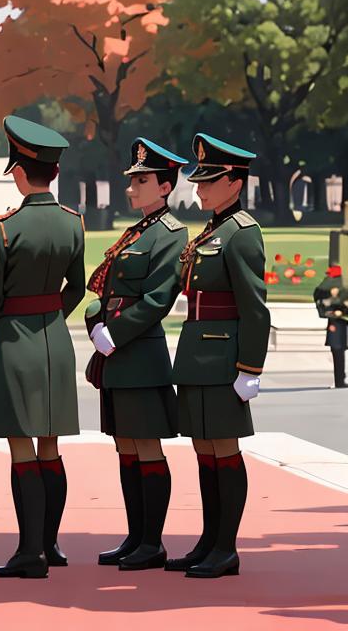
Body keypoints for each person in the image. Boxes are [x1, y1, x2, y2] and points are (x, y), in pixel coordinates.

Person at [0, 115, 85, 579]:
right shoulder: (73, 223)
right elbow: (77, 289)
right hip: (56, 341)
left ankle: (29, 552)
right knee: (51, 448)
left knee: (22, 451)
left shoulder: (3, 228)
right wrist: (50, 314)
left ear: (18, 171)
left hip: (15, 340)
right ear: (55, 173)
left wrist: (3, 327)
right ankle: (51, 544)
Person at [166, 133, 269, 579]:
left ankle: (226, 547)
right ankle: (209, 540)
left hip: (225, 359)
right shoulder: (212, 231)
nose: (199, 188)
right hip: (197, 355)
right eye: (199, 180)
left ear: (234, 181)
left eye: (208, 181)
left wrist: (250, 368)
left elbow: (254, 307)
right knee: (205, 453)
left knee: (224, 452)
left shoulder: (242, 233)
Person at [85, 139, 188, 570]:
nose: (132, 188)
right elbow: (105, 293)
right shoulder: (138, 231)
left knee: (146, 448)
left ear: (165, 186)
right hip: (118, 355)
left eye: (142, 181)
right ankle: (135, 536)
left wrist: (115, 332)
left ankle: (152, 541)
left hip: (140, 355)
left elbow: (158, 298)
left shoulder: (171, 234)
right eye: (133, 180)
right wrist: (95, 321)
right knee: (125, 447)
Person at [314, 264, 347, 389]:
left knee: (337, 350)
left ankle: (340, 380)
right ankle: (340, 380)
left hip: (338, 321)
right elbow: (319, 297)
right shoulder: (327, 286)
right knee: (337, 350)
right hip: (336, 322)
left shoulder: (332, 284)